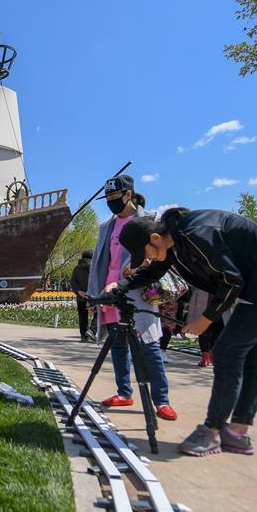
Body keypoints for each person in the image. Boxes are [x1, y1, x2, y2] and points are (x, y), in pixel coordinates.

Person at [112, 207, 257, 457]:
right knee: (252, 359)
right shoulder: (174, 241)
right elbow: (154, 271)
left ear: (155, 238)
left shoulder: (195, 234)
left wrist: (205, 319)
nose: (145, 259)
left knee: (226, 353)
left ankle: (211, 432)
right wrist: (120, 286)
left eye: (143, 253)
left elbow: (232, 281)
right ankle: (237, 434)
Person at [86, 174, 176, 421]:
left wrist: (135, 271)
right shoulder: (107, 225)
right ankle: (124, 392)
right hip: (111, 292)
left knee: (149, 346)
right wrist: (94, 293)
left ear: (129, 194)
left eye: (116, 197)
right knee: (117, 344)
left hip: (139, 292)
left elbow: (159, 257)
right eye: (108, 198)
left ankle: (161, 400)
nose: (112, 202)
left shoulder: (150, 220)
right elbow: (99, 261)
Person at [70, 250, 94, 342]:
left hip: (80, 297)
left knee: (82, 317)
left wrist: (79, 291)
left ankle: (84, 336)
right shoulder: (94, 266)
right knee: (98, 313)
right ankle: (92, 330)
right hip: (92, 296)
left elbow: (73, 281)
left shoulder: (76, 268)